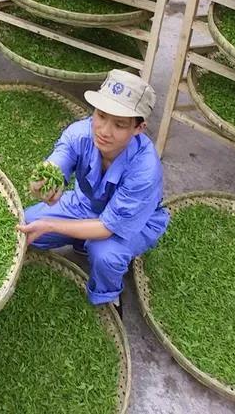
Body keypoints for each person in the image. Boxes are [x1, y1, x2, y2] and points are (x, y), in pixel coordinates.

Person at [18, 69, 169, 311]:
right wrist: (44, 181)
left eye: (119, 124)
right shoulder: (81, 133)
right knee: (27, 223)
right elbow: (59, 159)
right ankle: (80, 239)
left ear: (138, 128)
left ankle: (108, 297)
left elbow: (108, 227)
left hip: (132, 223)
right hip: (85, 204)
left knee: (105, 255)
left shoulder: (145, 170)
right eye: (101, 115)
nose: (104, 131)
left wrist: (52, 225)